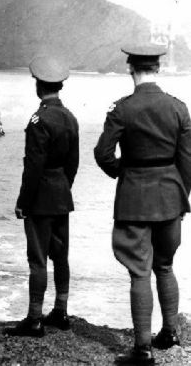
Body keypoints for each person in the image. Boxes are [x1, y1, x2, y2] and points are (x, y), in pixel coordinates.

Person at [94, 45, 191, 365]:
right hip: (170, 198)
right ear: (158, 69)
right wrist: (180, 197)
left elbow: (103, 154)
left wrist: (123, 171)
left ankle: (142, 349)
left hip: (135, 198)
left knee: (139, 273)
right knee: (164, 265)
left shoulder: (122, 109)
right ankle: (171, 333)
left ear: (130, 69)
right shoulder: (179, 108)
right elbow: (187, 161)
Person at [5, 56, 79, 337]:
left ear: (39, 86)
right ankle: (61, 311)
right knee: (61, 257)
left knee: (37, 259)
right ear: (59, 86)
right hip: (62, 197)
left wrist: (24, 202)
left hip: (40, 200)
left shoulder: (39, 120)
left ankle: (34, 318)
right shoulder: (70, 117)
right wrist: (62, 188)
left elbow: (33, 167)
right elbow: (72, 164)